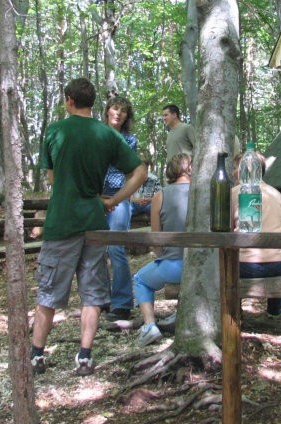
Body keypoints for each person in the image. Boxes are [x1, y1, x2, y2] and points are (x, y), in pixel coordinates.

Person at [30, 78, 146, 377]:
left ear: (69, 100)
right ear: (93, 103)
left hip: (61, 222)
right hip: (95, 222)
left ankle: (37, 356)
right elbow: (139, 170)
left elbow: (53, 178)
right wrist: (113, 200)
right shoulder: (105, 134)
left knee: (49, 292)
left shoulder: (56, 130)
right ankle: (84, 356)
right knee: (92, 293)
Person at [133, 153, 191, 346]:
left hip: (172, 266)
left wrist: (161, 256)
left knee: (140, 279)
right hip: (202, 266)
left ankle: (150, 326)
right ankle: (181, 313)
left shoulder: (160, 196)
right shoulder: (203, 193)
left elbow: (156, 239)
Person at [231, 151, 281, 316]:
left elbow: (228, 232)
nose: (233, 172)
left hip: (246, 265)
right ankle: (276, 311)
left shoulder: (235, 192)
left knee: (226, 262)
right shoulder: (276, 193)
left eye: (236, 167)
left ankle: (234, 311)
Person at [102, 96, 139, 322]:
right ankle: (101, 299)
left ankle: (123, 302)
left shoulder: (129, 140)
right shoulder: (95, 132)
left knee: (116, 248)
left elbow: (117, 158)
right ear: (107, 110)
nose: (119, 113)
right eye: (115, 108)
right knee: (96, 250)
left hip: (118, 198)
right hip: (95, 198)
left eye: (124, 111)